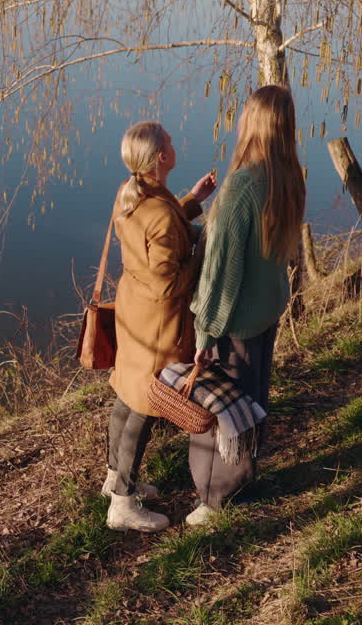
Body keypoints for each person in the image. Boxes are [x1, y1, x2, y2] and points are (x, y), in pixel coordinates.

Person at [186, 84, 305, 526]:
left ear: (252, 123)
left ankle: (215, 502)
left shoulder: (241, 186)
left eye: (243, 115)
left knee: (224, 409)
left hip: (235, 322)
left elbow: (221, 273)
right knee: (252, 400)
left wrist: (205, 333)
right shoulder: (288, 177)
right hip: (266, 310)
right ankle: (245, 481)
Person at [103, 121, 216, 532]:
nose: (175, 141)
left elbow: (160, 230)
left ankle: (114, 477)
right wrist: (202, 255)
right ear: (161, 157)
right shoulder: (156, 210)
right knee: (145, 405)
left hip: (134, 309)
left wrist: (193, 199)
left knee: (126, 390)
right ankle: (122, 504)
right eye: (169, 140)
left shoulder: (132, 191)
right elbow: (169, 280)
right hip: (158, 320)